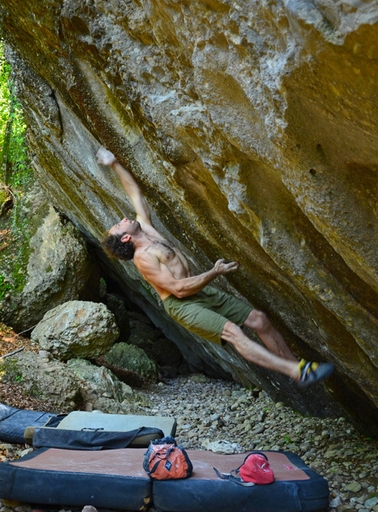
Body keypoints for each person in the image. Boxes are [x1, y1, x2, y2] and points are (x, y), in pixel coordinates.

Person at [97, 146, 334, 387]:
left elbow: (135, 194)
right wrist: (214, 272)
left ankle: (296, 371)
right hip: (182, 304)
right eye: (119, 225)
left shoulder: (146, 229)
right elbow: (178, 289)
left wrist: (114, 163)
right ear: (125, 238)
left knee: (259, 320)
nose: (123, 220)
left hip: (198, 291)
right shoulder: (144, 258)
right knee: (232, 331)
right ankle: (298, 371)